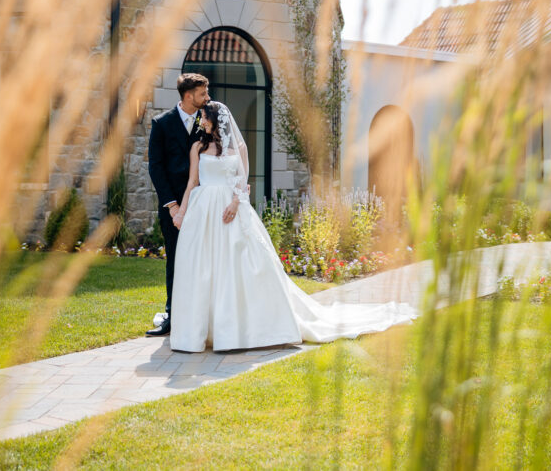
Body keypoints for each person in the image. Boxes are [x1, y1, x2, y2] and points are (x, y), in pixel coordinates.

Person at [169, 101, 417, 352]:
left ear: (215, 118)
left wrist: (235, 202)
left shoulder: (238, 148)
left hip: (230, 210)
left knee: (234, 266)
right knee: (203, 267)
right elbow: (192, 182)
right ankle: (205, 328)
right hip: (203, 211)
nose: (202, 121)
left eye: (204, 116)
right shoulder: (197, 147)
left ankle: (235, 330)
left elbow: (242, 183)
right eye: (201, 117)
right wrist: (181, 213)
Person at [145, 73, 210, 337]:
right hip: (173, 206)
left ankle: (202, 315)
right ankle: (172, 315)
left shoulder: (208, 122)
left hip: (204, 203)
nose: (207, 98)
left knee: (204, 259)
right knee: (175, 259)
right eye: (203, 94)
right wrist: (172, 206)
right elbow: (156, 167)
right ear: (188, 96)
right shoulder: (161, 123)